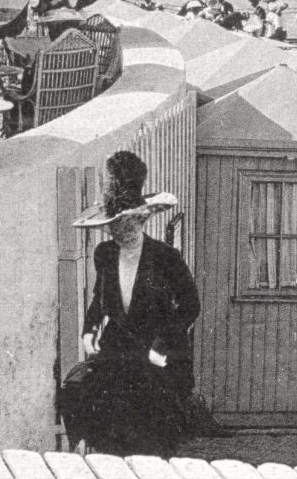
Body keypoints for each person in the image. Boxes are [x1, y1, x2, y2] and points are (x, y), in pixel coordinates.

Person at [69, 152, 200, 457]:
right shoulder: (104, 254)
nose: (120, 231)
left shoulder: (166, 258)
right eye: (114, 225)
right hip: (118, 353)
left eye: (126, 223)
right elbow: (99, 299)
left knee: (150, 437)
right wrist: (89, 329)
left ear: (141, 219)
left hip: (155, 354)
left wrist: (163, 345)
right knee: (91, 411)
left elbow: (191, 305)